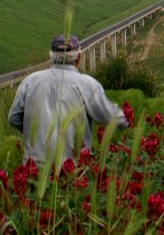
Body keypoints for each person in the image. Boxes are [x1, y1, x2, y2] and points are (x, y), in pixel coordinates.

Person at [8, 34, 128, 166]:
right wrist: (127, 121)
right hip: (73, 174)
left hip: (33, 172)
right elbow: (115, 118)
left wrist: (34, 131)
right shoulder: (87, 85)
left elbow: (13, 118)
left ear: (51, 57)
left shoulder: (29, 81)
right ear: (79, 57)